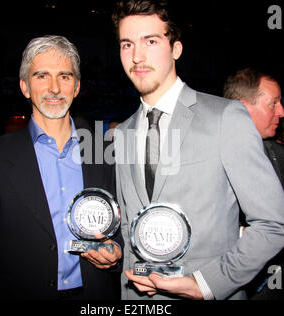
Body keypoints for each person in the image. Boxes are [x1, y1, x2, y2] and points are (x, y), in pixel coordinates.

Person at [112, 0, 284, 300]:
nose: (137, 56)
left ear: (175, 48)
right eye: (127, 44)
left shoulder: (225, 117)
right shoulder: (123, 133)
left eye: (150, 41)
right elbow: (130, 228)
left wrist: (206, 284)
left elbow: (273, 223)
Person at [0, 35, 122, 300]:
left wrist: (116, 254)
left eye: (64, 76)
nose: (54, 88)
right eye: (42, 76)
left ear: (76, 87)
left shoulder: (105, 154)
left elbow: (120, 228)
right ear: (25, 87)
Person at [224, 68, 284, 299]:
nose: (281, 111)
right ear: (241, 108)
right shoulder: (202, 158)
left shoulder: (279, 156)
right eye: (273, 103)